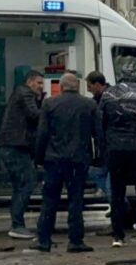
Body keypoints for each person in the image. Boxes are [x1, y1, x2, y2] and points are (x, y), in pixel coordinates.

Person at [98, 59, 136, 248]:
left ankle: (117, 235)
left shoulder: (108, 94)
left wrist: (104, 148)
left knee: (117, 192)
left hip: (115, 149)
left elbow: (100, 122)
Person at [31, 73, 96, 253]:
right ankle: (75, 240)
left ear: (60, 87)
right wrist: (98, 158)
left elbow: (42, 133)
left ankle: (44, 240)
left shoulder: (49, 104)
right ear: (77, 86)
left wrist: (38, 158)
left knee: (50, 200)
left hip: (54, 159)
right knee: (76, 200)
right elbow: (97, 133)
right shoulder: (89, 104)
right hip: (78, 159)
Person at [0, 70, 44, 239]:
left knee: (20, 185)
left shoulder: (20, 93)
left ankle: (17, 223)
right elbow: (34, 115)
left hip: (12, 145)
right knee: (26, 183)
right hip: (16, 146)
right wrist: (49, 109)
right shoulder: (26, 93)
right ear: (30, 81)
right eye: (39, 83)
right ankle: (17, 225)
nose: (41, 87)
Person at [84, 71, 113, 230]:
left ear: (97, 84)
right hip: (104, 147)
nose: (88, 90)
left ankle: (118, 208)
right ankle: (120, 205)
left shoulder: (108, 99)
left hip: (110, 147)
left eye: (89, 86)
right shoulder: (99, 99)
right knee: (97, 173)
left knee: (109, 182)